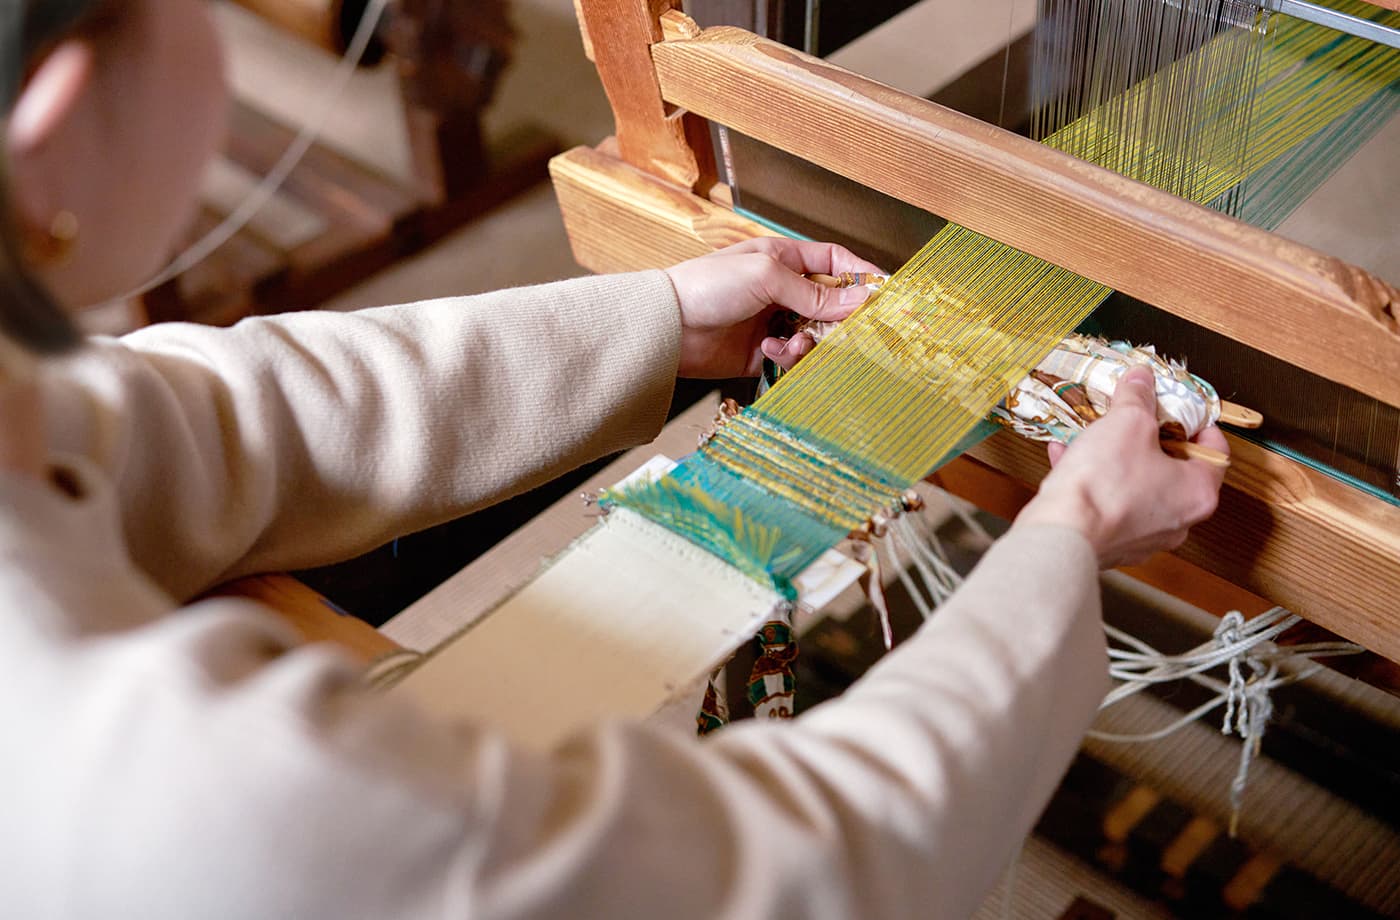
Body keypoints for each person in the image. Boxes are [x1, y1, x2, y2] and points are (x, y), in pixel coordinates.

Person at [0, 2, 1229, 917]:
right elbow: (811, 868)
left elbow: (187, 423)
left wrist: (657, 323)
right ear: (54, 111)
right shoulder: (195, 794)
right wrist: (1064, 545)